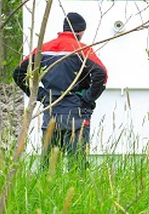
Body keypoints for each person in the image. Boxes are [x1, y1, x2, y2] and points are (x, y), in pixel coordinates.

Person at [13, 12, 108, 163]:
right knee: (77, 168)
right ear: (80, 32)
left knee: (48, 169)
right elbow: (101, 74)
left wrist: (41, 95)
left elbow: (18, 74)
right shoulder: (81, 49)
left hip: (50, 112)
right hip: (76, 114)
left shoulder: (43, 49)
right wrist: (87, 99)